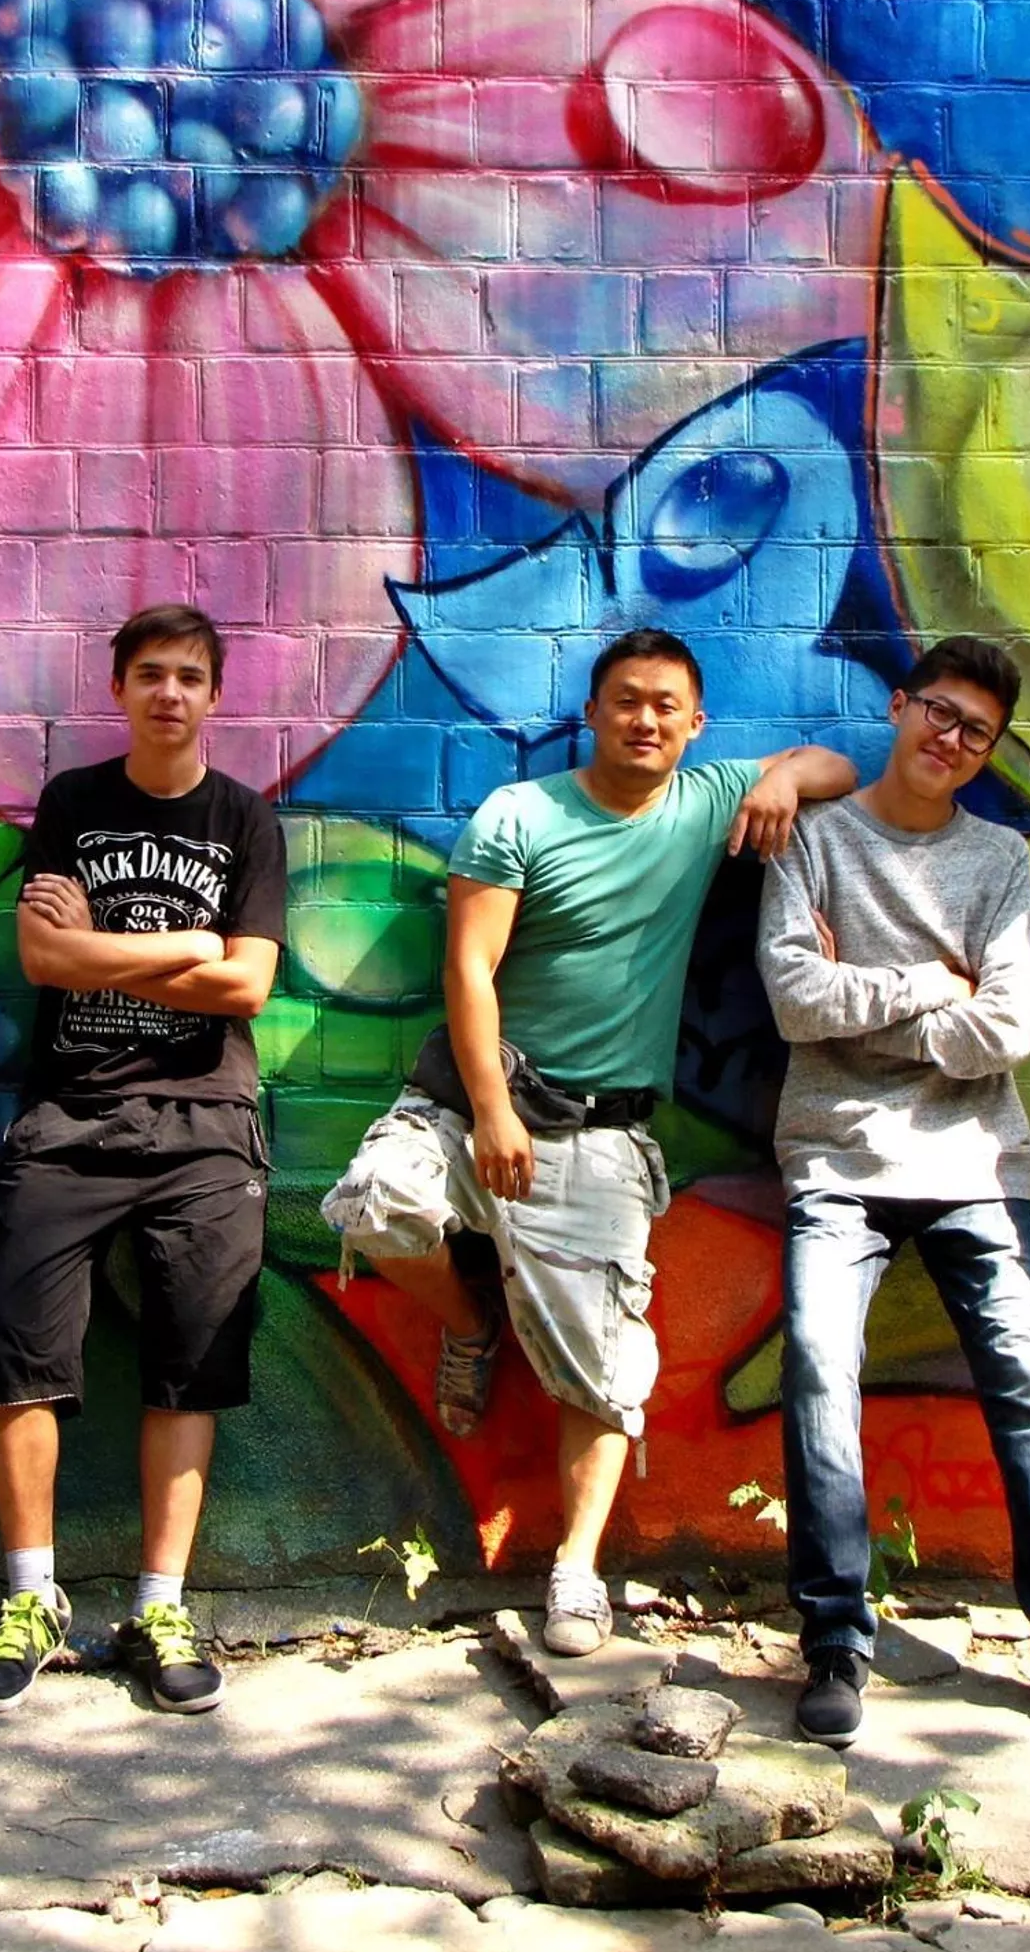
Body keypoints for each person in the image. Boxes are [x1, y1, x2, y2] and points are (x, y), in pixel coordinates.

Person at [321, 628, 855, 1657]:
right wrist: (492, 1112)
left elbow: (838, 765)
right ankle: (471, 1323)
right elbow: (468, 970)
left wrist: (785, 778)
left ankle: (575, 1571)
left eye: (666, 705)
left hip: (603, 1135)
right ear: (594, 713)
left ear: (694, 725)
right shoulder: (520, 814)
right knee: (375, 1205)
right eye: (626, 701)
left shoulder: (708, 798)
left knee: (604, 1367)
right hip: (474, 1102)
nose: (645, 719)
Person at [758, 635, 1030, 1752]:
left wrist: (866, 1005)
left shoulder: (999, 860)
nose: (952, 739)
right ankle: (835, 1639)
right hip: (836, 1160)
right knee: (820, 1375)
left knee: (1028, 1388)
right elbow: (793, 999)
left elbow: (1007, 1030)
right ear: (900, 706)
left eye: (977, 731)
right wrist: (934, 983)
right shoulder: (817, 840)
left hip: (976, 1166)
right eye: (939, 711)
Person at [0, 604, 286, 1718]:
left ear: (214, 694)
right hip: (70, 1116)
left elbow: (248, 985)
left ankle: (159, 1606)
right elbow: (40, 959)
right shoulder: (73, 804)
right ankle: (30, 1599)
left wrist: (104, 950)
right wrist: (185, 944)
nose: (169, 693)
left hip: (206, 1121)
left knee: (191, 1363)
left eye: (189, 676)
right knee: (19, 1354)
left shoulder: (244, 819)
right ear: (119, 687)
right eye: (150, 674)